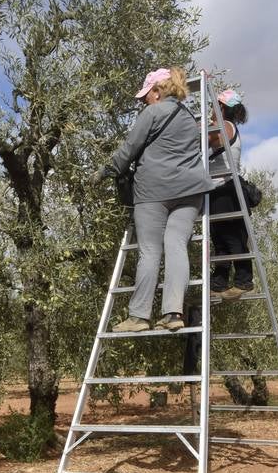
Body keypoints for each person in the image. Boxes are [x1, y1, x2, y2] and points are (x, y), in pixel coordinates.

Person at [93, 67, 215, 332]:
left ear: (157, 92)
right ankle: (173, 314)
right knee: (176, 245)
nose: (143, 101)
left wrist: (105, 171)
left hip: (153, 193)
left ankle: (138, 317)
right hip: (190, 190)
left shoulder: (152, 112)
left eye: (145, 95)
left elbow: (129, 150)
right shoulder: (188, 118)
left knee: (150, 250)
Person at [208, 89, 253, 299]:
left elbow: (212, 139)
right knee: (220, 239)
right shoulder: (221, 125)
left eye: (214, 105)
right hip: (217, 189)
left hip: (227, 188)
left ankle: (243, 282)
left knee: (232, 238)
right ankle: (219, 283)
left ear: (222, 108)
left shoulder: (225, 127)